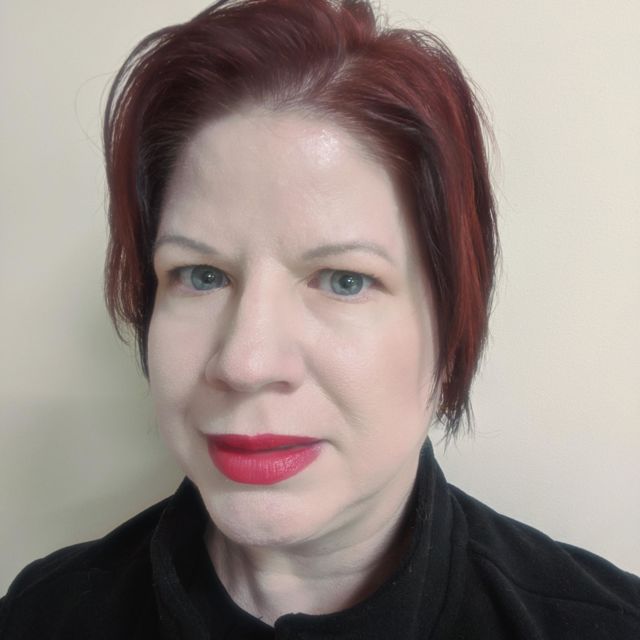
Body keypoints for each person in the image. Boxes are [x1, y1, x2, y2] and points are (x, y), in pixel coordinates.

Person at [1, 0, 638, 637]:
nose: (246, 363)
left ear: (450, 335)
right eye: (201, 275)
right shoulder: (41, 617)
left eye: (344, 280)